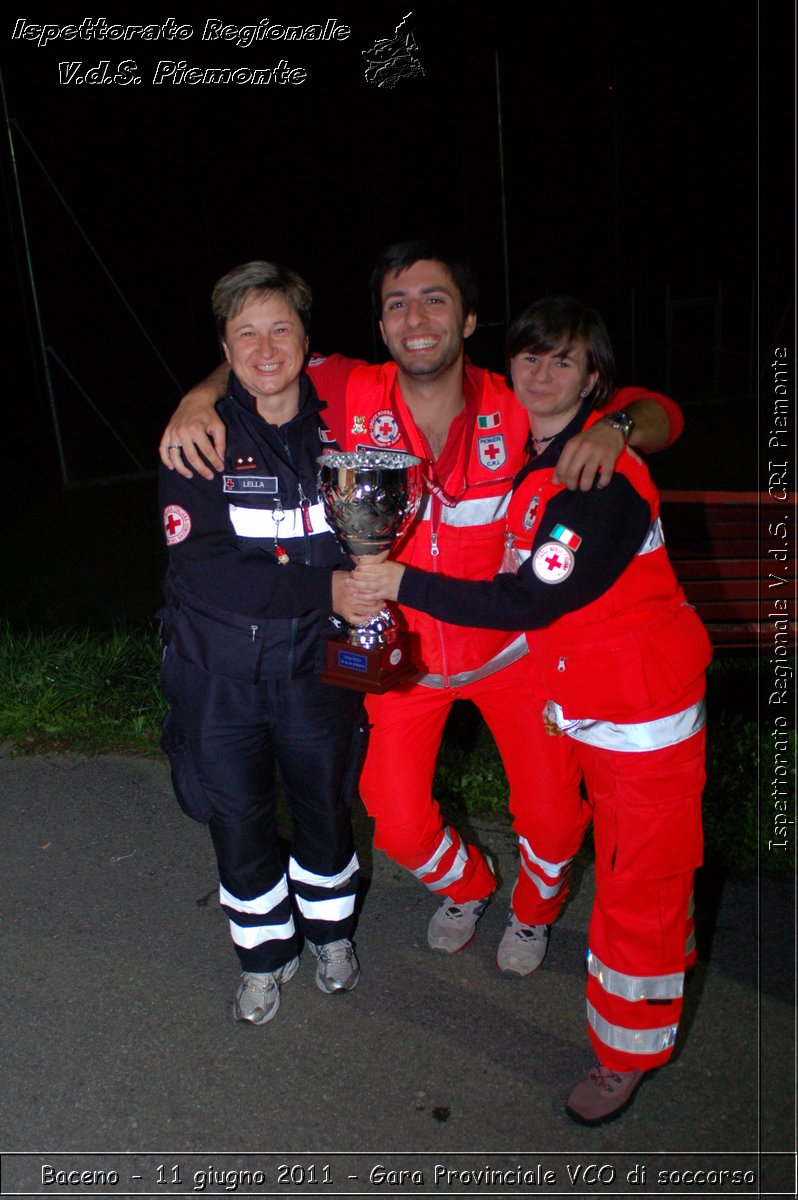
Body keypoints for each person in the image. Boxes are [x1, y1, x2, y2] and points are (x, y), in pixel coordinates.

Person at [159, 241, 684, 971]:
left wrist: (616, 426)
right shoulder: (345, 389)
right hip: (400, 659)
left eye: (434, 299)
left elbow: (660, 412)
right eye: (397, 303)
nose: (416, 317)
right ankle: (470, 884)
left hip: (506, 654)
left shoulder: (516, 400)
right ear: (379, 326)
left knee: (557, 819)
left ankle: (533, 914)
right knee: (394, 820)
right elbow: (259, 353)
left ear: (469, 320)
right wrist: (196, 396)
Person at [351, 295, 711, 1124]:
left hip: (636, 716)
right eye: (531, 358)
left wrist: (618, 427)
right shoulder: (535, 440)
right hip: (577, 698)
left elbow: (527, 598)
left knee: (638, 887)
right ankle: (500, 900)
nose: (542, 375)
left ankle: (625, 1053)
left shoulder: (595, 471)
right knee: (625, 867)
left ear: (595, 380)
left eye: (563, 362)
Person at [159, 261, 372, 1027]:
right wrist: (326, 591)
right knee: (236, 817)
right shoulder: (199, 434)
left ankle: (331, 937)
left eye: (281, 326)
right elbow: (210, 572)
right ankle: (262, 957)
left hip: (319, 669)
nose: (265, 345)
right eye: (245, 332)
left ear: (307, 339)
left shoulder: (350, 422)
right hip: (218, 674)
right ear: (225, 346)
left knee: (325, 807)